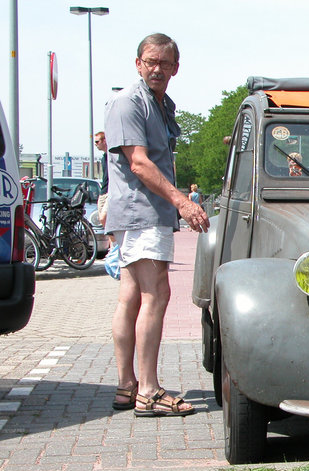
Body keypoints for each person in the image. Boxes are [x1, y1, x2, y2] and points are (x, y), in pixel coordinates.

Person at [104, 33, 209, 417]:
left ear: (175, 68)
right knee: (156, 295)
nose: (157, 69)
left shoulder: (160, 104)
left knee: (131, 297)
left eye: (165, 63)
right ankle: (148, 390)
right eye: (151, 61)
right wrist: (182, 201)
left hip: (143, 214)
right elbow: (139, 162)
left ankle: (127, 386)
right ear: (138, 63)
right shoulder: (128, 101)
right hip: (141, 213)